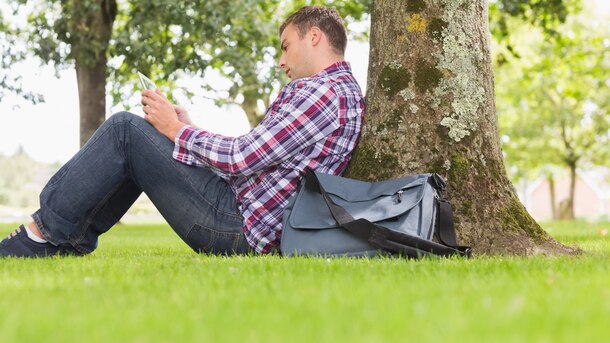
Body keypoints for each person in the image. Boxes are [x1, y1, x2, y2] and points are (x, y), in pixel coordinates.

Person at [0, 6, 365, 258]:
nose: (282, 61)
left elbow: (240, 158)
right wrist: (186, 129)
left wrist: (173, 129)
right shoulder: (342, 91)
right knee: (140, 137)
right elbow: (259, 159)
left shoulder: (321, 93)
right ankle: (67, 240)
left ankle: (42, 234)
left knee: (125, 130)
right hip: (248, 216)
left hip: (238, 226)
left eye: (286, 47)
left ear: (314, 37)